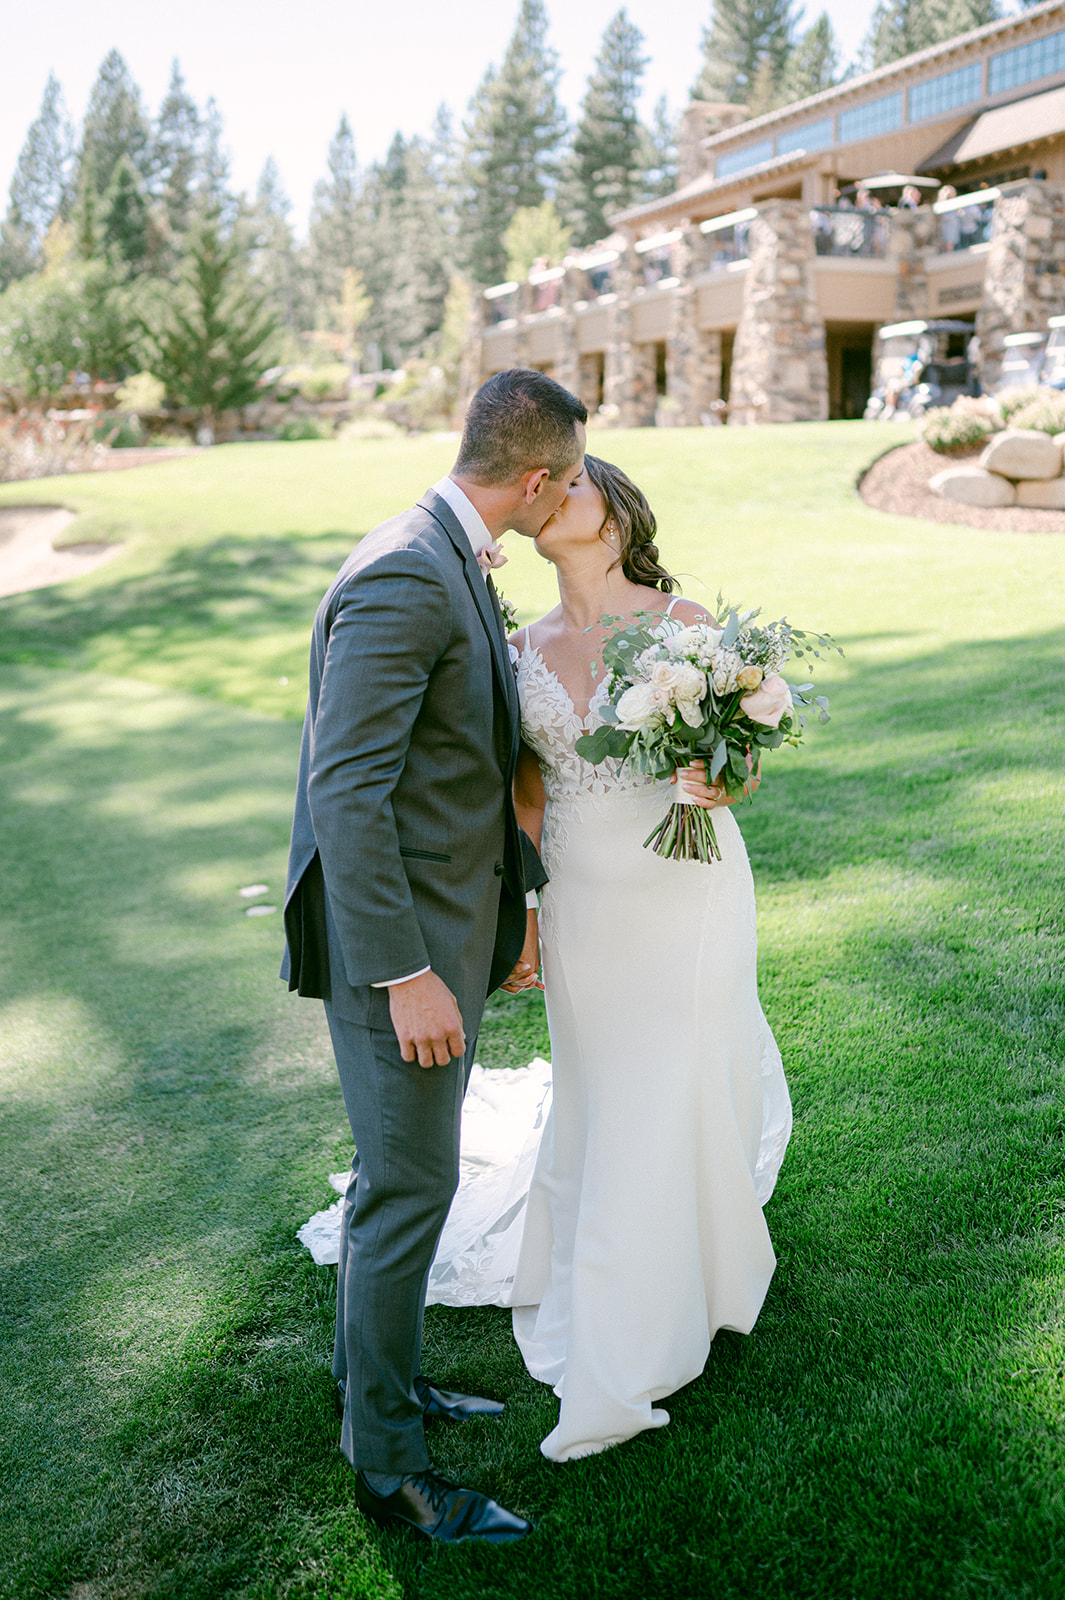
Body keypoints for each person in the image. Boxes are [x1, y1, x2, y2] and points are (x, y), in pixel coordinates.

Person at [426, 454, 792, 1461]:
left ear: (618, 514)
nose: (552, 495)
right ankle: (628, 1280)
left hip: (692, 883)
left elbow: (740, 760)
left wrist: (724, 785)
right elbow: (528, 795)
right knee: (608, 1085)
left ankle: (666, 1303)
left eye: (575, 483)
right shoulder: (518, 648)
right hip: (584, 895)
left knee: (678, 1073)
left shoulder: (687, 625)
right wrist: (530, 913)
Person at [281, 367, 587, 1542]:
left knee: (409, 1182)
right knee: (404, 1193)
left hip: (443, 932)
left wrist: (501, 921)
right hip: (392, 953)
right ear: (539, 478)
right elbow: (346, 790)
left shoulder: (448, 549)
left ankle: (391, 1392)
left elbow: (448, 767)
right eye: (564, 483)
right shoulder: (411, 568)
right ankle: (390, 1470)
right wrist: (404, 972)